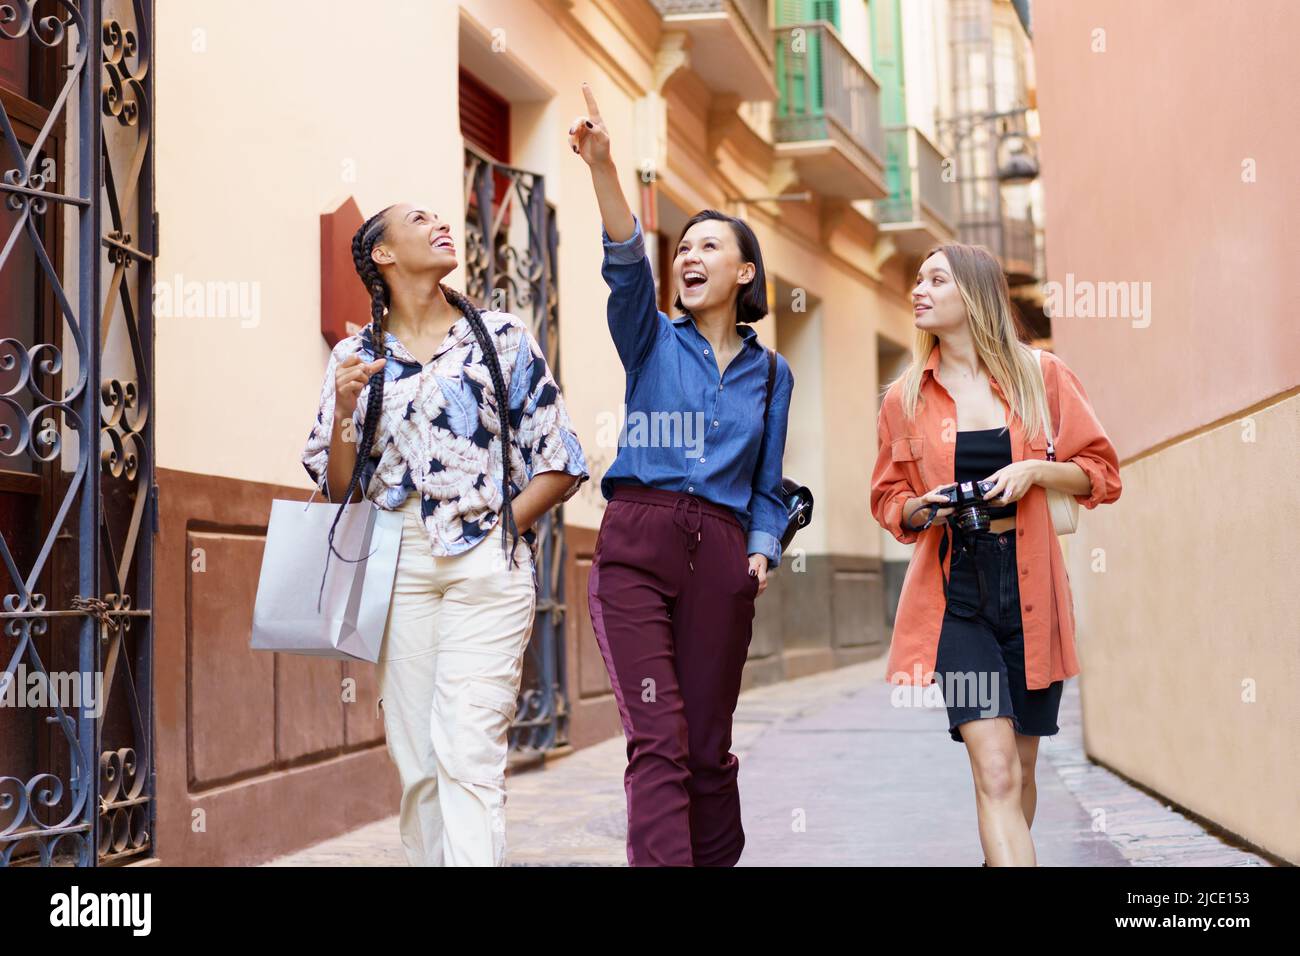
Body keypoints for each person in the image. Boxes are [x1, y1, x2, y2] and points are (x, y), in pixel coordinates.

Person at [301, 202, 589, 866]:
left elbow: (561, 459)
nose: (440, 223)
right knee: (421, 764)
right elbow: (338, 485)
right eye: (419, 217)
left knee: (468, 751)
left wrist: (498, 530)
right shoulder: (356, 355)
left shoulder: (502, 337)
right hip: (394, 565)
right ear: (383, 254)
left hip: (485, 565)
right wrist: (346, 410)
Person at [570, 83, 793, 866]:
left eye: (709, 246)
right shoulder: (651, 340)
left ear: (744, 274)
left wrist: (762, 546)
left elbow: (769, 480)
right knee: (658, 737)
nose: (689, 257)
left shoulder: (773, 375)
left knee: (706, 749)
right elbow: (626, 265)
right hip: (638, 544)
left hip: (724, 556)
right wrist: (605, 168)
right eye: (685, 246)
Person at [871, 243, 1121, 867]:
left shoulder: (1042, 377)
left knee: (1025, 769)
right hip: (960, 594)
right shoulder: (905, 399)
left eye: (936, 279)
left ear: (974, 295)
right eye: (918, 280)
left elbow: (1102, 474)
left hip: (1032, 589)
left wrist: (1037, 469)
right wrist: (924, 505)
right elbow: (888, 500)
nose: (918, 290)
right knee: (997, 772)